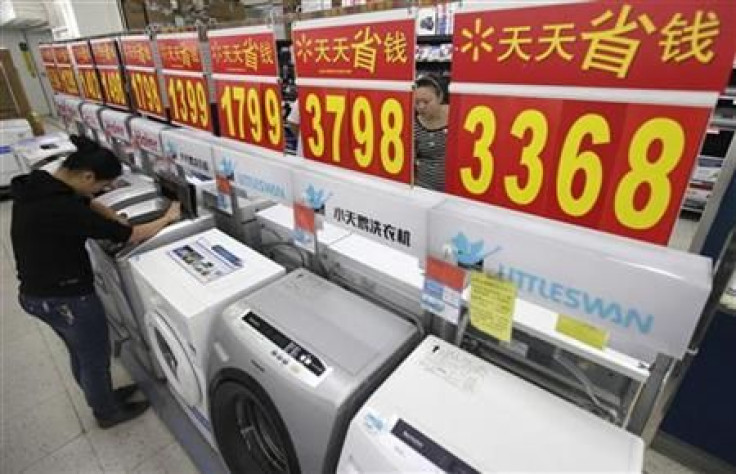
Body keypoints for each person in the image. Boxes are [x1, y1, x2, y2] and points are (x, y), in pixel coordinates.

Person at [10, 136, 181, 429]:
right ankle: (106, 411)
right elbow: (129, 236)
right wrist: (167, 218)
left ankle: (99, 395)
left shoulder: (40, 183)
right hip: (65, 299)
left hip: (36, 294)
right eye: (102, 186)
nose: (101, 192)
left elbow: (86, 200)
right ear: (87, 175)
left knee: (79, 350)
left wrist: (108, 211)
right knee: (94, 355)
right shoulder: (63, 209)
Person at [414, 74, 449, 192]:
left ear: (440, 97)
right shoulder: (414, 125)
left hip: (457, 190)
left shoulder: (458, 115)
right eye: (417, 102)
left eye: (426, 101)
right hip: (424, 188)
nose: (421, 106)